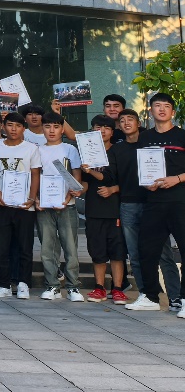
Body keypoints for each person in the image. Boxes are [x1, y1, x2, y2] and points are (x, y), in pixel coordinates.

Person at [115, 107, 181, 307]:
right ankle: (148, 295)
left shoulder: (155, 140)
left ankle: (176, 297)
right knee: (140, 253)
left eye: (130, 119)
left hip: (160, 202)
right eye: (122, 120)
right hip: (133, 204)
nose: (127, 123)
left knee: (165, 254)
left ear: (138, 123)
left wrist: (174, 179)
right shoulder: (121, 148)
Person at [0, 112, 42, 299]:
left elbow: (35, 174)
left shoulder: (31, 149)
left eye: (18, 126)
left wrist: (32, 198)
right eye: (10, 125)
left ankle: (23, 283)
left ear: (23, 129)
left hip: (25, 206)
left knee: (25, 246)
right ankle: (3, 284)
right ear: (3, 127)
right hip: (1, 204)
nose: (13, 129)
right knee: (1, 246)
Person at [36, 111, 84, 301]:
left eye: (56, 127)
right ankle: (52, 285)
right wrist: (36, 199)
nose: (52, 130)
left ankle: (73, 287)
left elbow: (76, 176)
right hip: (44, 207)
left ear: (62, 129)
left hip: (67, 205)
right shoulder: (37, 150)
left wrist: (69, 196)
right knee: (47, 248)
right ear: (42, 129)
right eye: (47, 126)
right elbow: (34, 177)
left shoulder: (70, 149)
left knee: (70, 247)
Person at [81, 115, 126, 304]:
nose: (102, 131)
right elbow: (84, 182)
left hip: (115, 209)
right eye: (98, 127)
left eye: (106, 128)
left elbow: (125, 180)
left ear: (112, 132)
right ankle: (99, 287)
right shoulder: (85, 152)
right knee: (97, 250)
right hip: (93, 208)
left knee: (117, 251)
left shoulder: (119, 151)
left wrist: (113, 189)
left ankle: (117, 289)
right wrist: (78, 188)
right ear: (92, 130)